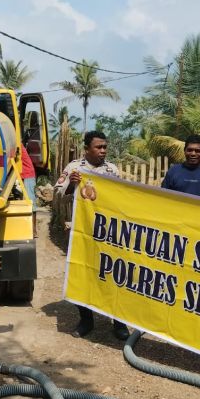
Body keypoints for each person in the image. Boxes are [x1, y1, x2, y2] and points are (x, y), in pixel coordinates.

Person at [54, 130, 129, 341]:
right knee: (83, 273)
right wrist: (72, 184)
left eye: (105, 147)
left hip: (108, 233)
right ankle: (86, 319)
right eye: (98, 147)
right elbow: (58, 193)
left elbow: (122, 197)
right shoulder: (74, 169)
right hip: (83, 231)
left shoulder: (112, 170)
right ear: (86, 149)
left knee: (112, 274)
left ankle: (118, 322)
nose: (103, 151)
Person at [160, 134, 200, 202]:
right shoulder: (173, 172)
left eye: (197, 151)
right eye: (190, 150)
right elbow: (162, 198)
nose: (193, 154)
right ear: (184, 151)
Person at [19, 144, 36, 209]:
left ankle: (32, 218)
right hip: (27, 175)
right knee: (29, 199)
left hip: (28, 175)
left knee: (30, 200)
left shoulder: (18, 145)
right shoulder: (18, 144)